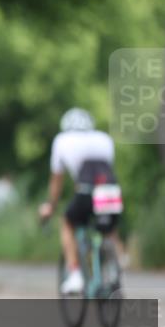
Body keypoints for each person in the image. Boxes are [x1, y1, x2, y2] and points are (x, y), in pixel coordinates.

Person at [38, 108, 125, 294]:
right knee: (108, 229)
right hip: (110, 192)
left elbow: (57, 181)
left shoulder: (61, 140)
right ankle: (113, 265)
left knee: (68, 223)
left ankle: (75, 273)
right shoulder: (104, 139)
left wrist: (50, 206)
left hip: (86, 192)